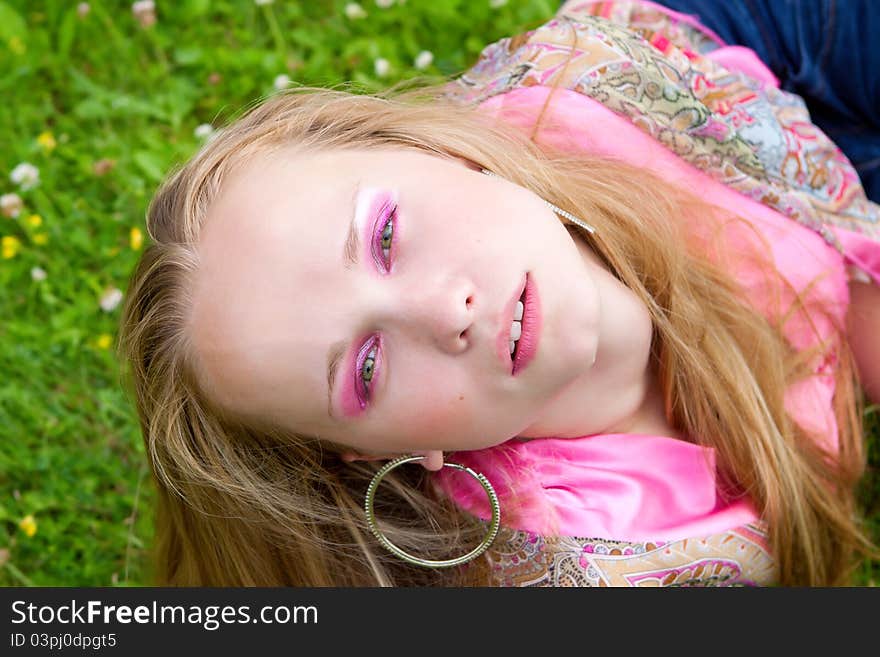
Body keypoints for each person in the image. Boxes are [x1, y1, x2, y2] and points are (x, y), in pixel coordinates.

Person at [117, 0, 880, 586]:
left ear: (436, 147)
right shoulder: (600, 557)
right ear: (379, 453)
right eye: (368, 367)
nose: (445, 312)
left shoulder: (602, 86)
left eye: (385, 236)